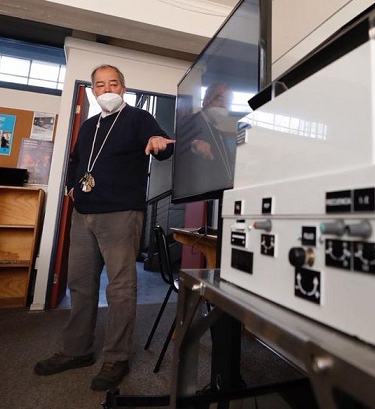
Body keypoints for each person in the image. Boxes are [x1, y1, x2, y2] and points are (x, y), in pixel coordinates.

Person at [34, 64, 175, 391]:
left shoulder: (139, 118)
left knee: (120, 287)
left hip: (121, 214)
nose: (107, 89)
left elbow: (162, 145)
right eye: (100, 84)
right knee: (80, 285)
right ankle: (76, 350)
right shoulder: (88, 127)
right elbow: (75, 162)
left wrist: (159, 143)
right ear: (94, 90)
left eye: (113, 83)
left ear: (122, 88)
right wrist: (71, 187)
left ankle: (117, 357)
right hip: (83, 214)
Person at [175, 83, 238, 196]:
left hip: (221, 196)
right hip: (196, 196)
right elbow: (184, 145)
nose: (224, 106)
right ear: (206, 101)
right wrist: (194, 144)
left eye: (228, 102)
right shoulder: (188, 121)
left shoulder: (220, 135)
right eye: (220, 99)